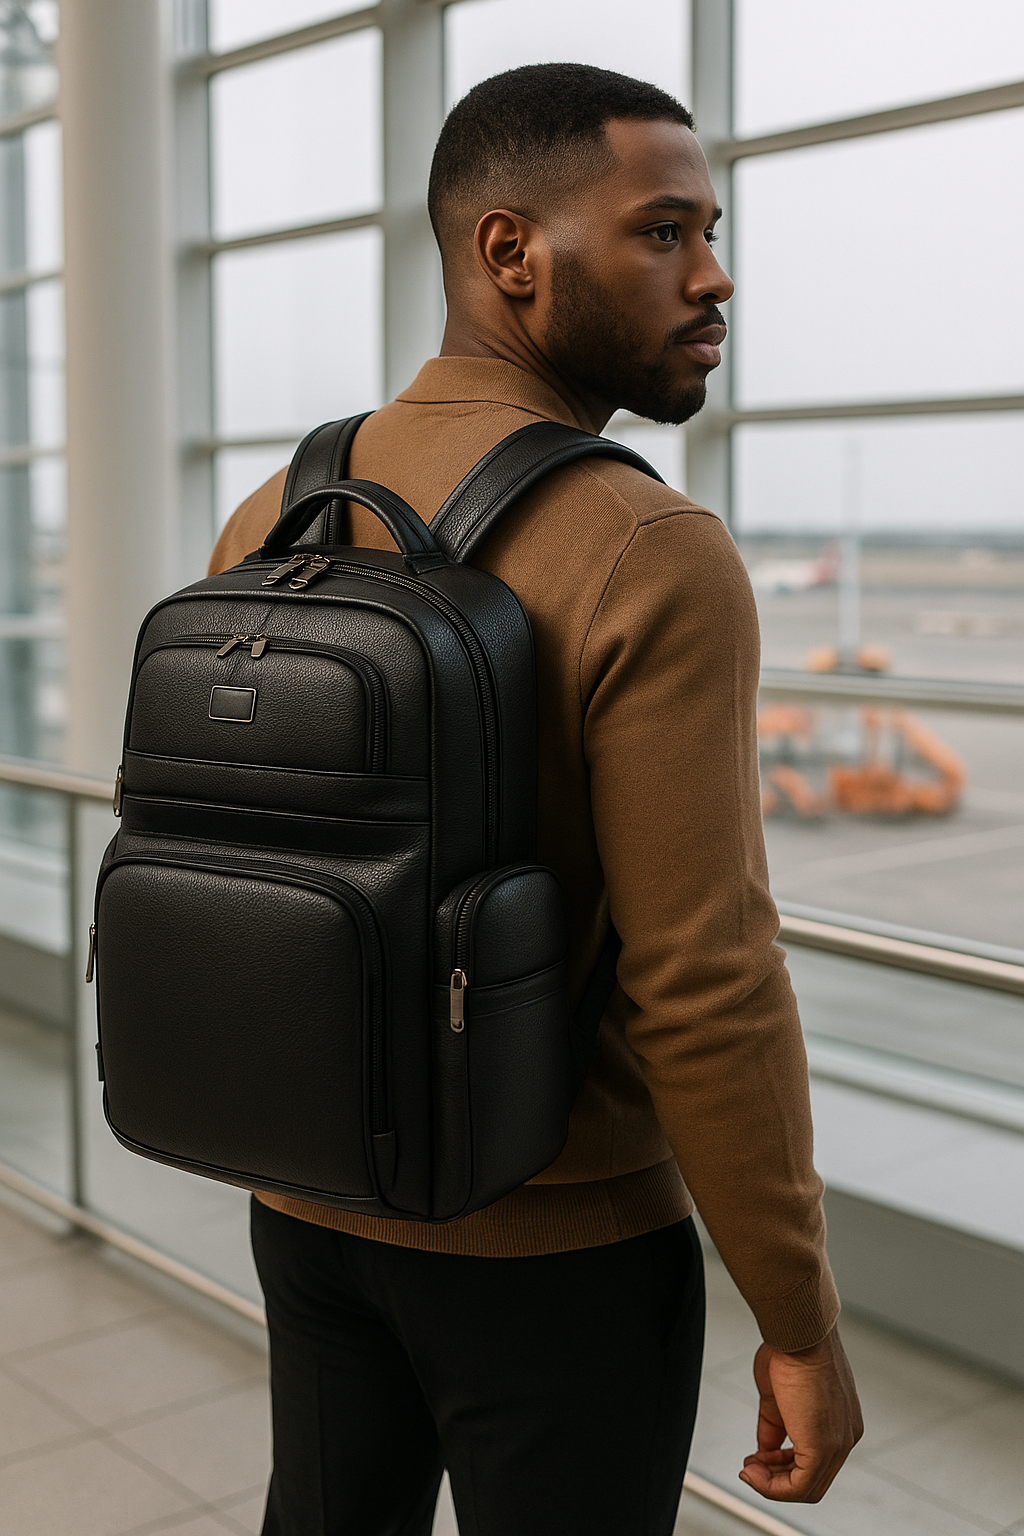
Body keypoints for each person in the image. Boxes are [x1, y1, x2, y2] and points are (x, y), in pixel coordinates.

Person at [210, 62, 862, 1536]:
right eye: (662, 231)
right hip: (559, 1248)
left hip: (309, 1204)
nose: (715, 277)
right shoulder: (645, 543)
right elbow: (705, 979)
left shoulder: (281, 509)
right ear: (511, 253)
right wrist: (799, 1314)